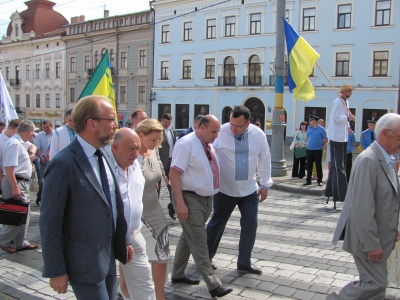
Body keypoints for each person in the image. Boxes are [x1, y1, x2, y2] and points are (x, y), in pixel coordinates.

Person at [40, 95, 133, 299]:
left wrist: (124, 238)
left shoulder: (104, 154)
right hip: (83, 263)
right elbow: (49, 222)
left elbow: (114, 203)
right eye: (111, 119)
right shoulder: (63, 164)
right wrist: (55, 269)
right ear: (92, 123)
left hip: (107, 257)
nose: (116, 124)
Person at [328, 113, 400, 300]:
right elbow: (362, 206)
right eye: (399, 137)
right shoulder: (369, 160)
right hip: (367, 238)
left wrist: (393, 229)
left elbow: (385, 199)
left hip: (380, 235)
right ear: (385, 133)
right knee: (375, 283)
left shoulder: (386, 159)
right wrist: (371, 243)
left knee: (376, 285)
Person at [170, 115, 233, 298]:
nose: (216, 135)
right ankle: (213, 284)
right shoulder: (186, 143)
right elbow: (174, 174)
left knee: (187, 237)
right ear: (202, 128)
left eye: (218, 132)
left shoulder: (208, 144)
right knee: (199, 242)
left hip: (205, 199)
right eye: (213, 131)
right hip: (189, 199)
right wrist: (180, 203)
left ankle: (177, 274)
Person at [206, 105, 273, 275]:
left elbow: (264, 159)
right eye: (232, 124)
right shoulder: (220, 132)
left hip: (249, 190)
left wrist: (265, 184)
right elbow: (208, 153)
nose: (233, 129)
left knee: (251, 224)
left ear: (248, 123)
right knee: (217, 224)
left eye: (238, 126)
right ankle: (205, 259)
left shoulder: (259, 135)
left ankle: (244, 262)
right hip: (224, 190)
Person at [105, 128, 156, 300]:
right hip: (107, 238)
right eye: (131, 148)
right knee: (104, 285)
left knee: (145, 282)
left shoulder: (135, 165)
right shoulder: (104, 169)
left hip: (133, 234)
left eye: (137, 148)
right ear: (115, 148)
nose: (135, 153)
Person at [135, 118, 172, 300]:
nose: (157, 143)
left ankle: (160, 295)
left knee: (162, 251)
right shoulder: (132, 155)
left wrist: (165, 179)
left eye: (159, 140)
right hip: (137, 212)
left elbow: (159, 168)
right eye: (153, 140)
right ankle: (126, 290)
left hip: (154, 207)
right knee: (133, 253)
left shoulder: (154, 149)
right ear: (140, 136)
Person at [0, 120, 38, 254]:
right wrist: (15, 187)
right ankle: (3, 240)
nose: (33, 136)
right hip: (15, 181)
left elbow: (33, 146)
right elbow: (8, 168)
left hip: (21, 181)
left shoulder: (19, 142)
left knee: (24, 214)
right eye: (32, 133)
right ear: (28, 133)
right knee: (15, 214)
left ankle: (20, 242)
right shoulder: (14, 144)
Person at [326, 84, 356, 204]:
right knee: (339, 166)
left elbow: (345, 117)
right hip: (336, 137)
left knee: (340, 164)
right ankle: (340, 194)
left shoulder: (346, 103)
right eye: (349, 91)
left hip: (343, 137)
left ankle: (332, 191)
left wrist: (348, 126)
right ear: (345, 92)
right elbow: (336, 117)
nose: (351, 93)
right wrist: (348, 119)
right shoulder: (337, 102)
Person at [158, 113, 176, 220]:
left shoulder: (171, 129)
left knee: (172, 186)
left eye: (169, 123)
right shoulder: (158, 130)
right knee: (157, 187)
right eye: (165, 122)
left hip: (170, 161)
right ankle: (155, 209)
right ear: (161, 120)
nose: (167, 124)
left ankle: (172, 207)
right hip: (160, 161)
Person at [303, 115, 327, 186]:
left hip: (318, 150)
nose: (309, 122)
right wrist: (307, 143)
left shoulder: (322, 129)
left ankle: (319, 180)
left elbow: (326, 139)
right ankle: (308, 180)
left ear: (315, 121)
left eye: (311, 120)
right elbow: (307, 137)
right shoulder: (309, 128)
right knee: (309, 166)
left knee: (318, 165)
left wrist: (322, 144)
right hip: (309, 150)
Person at [34, 120, 53, 205]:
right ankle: (40, 196)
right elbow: (36, 148)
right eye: (44, 127)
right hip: (43, 160)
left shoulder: (56, 134)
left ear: (51, 126)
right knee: (42, 181)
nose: (45, 129)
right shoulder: (39, 136)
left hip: (53, 160)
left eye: (47, 127)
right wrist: (41, 157)